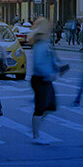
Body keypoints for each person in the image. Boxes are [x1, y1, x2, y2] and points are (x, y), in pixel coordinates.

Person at [28, 17, 58, 145]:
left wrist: (57, 67)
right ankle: (36, 135)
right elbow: (38, 63)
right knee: (40, 108)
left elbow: (52, 59)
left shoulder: (47, 43)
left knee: (51, 106)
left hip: (46, 79)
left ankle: (36, 124)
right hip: (40, 79)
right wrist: (49, 73)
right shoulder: (40, 44)